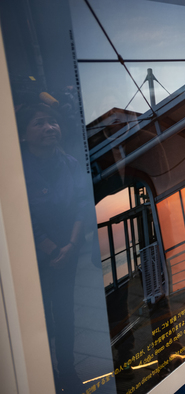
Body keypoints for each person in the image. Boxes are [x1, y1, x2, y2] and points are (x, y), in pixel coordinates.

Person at [17, 103, 87, 392]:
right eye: (39, 123)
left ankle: (67, 370)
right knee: (39, 316)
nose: (49, 128)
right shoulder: (15, 169)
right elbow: (19, 212)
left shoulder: (70, 163)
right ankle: (45, 373)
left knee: (65, 313)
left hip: (67, 252)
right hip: (33, 258)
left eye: (52, 122)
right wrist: (49, 248)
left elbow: (83, 204)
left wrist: (70, 245)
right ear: (23, 134)